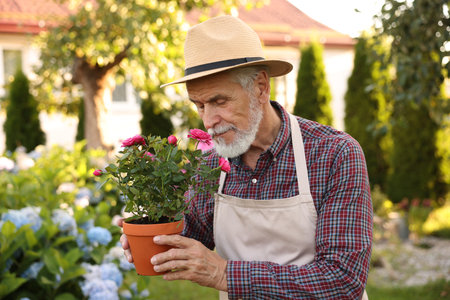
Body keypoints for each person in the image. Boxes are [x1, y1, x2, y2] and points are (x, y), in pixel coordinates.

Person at [120, 15, 372, 299]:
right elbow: (191, 234)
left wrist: (224, 274)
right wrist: (150, 237)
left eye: (219, 101)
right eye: (199, 105)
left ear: (261, 87)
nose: (208, 121)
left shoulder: (334, 154)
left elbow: (342, 279)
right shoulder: (211, 165)